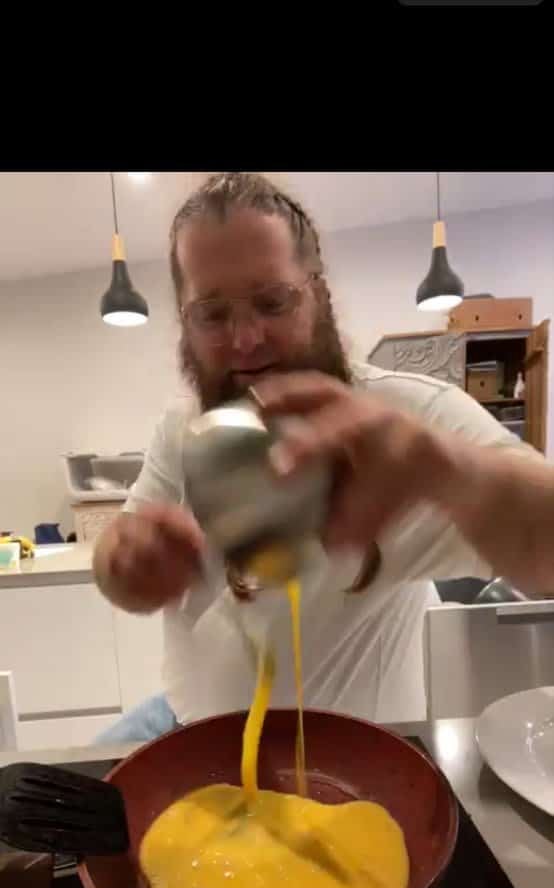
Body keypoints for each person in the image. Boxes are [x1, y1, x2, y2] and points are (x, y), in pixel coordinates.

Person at [93, 171, 552, 742]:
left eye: (272, 301)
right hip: (194, 743)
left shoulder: (410, 420)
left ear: (319, 294)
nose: (245, 339)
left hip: (356, 771)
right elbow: (119, 555)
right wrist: (124, 560)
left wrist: (445, 470)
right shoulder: (181, 430)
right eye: (213, 313)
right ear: (186, 327)